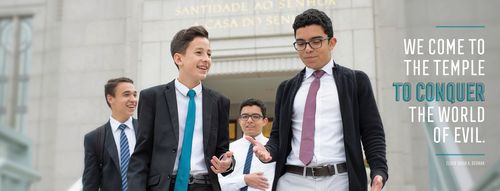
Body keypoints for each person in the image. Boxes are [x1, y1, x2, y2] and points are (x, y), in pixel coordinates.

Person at [247, 9, 388, 191]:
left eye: (315, 41)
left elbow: (372, 132)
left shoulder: (355, 81)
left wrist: (379, 169)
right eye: (301, 43)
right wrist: (268, 151)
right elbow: (277, 137)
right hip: (292, 181)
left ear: (331, 42)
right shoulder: (286, 88)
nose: (308, 49)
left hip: (340, 181)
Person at [128, 25, 234, 191]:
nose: (206, 59)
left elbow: (222, 151)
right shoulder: (152, 98)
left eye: (209, 54)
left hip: (205, 186)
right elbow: (141, 155)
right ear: (179, 59)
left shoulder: (219, 102)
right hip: (164, 186)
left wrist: (227, 163)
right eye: (199, 52)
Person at [83, 77, 138, 191]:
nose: (133, 99)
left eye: (134, 94)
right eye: (126, 94)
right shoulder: (94, 138)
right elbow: (90, 184)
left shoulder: (146, 130)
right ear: (110, 98)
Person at [218, 98, 275, 191]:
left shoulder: (273, 149)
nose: (249, 120)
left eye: (255, 116)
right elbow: (217, 183)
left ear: (265, 121)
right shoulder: (228, 149)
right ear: (240, 121)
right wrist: (244, 180)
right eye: (245, 116)